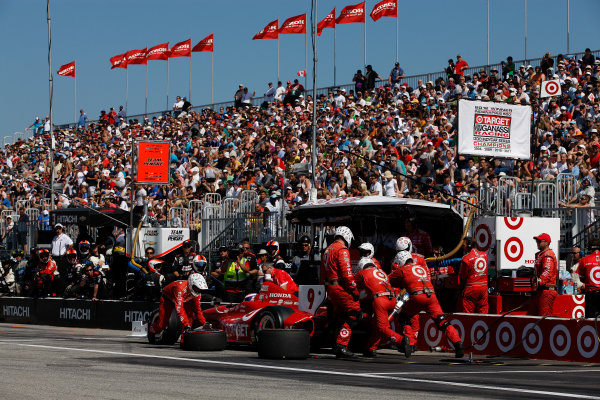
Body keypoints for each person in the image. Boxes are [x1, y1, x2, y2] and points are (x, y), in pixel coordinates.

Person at [389, 251, 464, 358]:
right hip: (431, 296)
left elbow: (387, 280)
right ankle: (458, 343)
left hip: (417, 296)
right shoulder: (422, 268)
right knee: (442, 321)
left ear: (401, 260)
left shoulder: (402, 269)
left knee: (403, 317)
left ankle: (408, 343)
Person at [323, 226, 361, 358]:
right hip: (340, 287)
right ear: (347, 236)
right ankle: (341, 344)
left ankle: (335, 343)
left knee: (339, 315)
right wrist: (354, 289)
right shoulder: (342, 249)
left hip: (330, 287)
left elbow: (323, 272)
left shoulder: (328, 249)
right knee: (354, 312)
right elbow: (347, 273)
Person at [354, 257, 402, 358]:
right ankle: (371, 348)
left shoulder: (362, 273)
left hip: (380, 300)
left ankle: (400, 340)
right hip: (392, 300)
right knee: (376, 325)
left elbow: (351, 284)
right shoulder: (382, 272)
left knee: (382, 327)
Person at [149, 274, 208, 339]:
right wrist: (185, 324)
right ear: (191, 284)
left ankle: (184, 339)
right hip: (167, 299)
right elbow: (179, 308)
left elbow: (198, 310)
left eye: (200, 289)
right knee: (162, 325)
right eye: (196, 288)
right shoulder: (180, 288)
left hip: (184, 299)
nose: (198, 290)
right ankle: (151, 331)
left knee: (189, 318)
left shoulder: (197, 294)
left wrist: (204, 323)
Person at [528, 233, 557, 316]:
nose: (537, 242)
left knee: (543, 317)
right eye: (537, 240)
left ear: (546, 243)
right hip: (539, 291)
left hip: (546, 291)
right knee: (532, 316)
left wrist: (538, 281)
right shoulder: (540, 254)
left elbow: (547, 272)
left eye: (539, 241)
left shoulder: (548, 254)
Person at [457, 237, 489, 313]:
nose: (463, 247)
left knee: (468, 314)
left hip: (471, 289)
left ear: (469, 245)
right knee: (483, 312)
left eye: (464, 245)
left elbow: (462, 276)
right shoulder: (484, 255)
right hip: (484, 288)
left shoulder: (465, 259)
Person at [572, 238, 600, 318]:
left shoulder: (584, 260)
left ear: (590, 248)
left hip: (591, 293)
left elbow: (581, 278)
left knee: (591, 320)